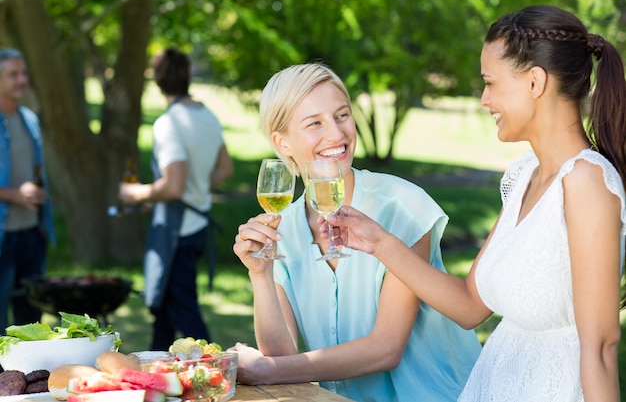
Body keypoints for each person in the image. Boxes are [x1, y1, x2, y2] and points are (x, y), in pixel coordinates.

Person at [325, 5, 626, 401]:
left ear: (535, 82)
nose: (484, 99)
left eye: (491, 83)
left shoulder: (587, 182)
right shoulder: (524, 175)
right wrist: (379, 242)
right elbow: (470, 306)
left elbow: (601, 348)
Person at [231, 63, 482, 402]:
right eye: (314, 123)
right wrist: (261, 275)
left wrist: (267, 370)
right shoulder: (283, 228)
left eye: (342, 115)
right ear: (282, 142)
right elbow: (281, 359)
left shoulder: (401, 206)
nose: (336, 134)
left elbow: (385, 349)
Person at [118, 47, 233, 350]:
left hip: (177, 233)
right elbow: (225, 167)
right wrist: (196, 188)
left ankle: (215, 367)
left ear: (157, 81)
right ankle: (154, 376)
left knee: (185, 313)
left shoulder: (168, 124)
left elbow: (174, 187)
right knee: (164, 315)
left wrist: (136, 194)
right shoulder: (207, 115)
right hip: (196, 226)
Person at [0, 48, 55, 334]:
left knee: (30, 324)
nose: (22, 80)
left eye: (23, 73)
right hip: (2, 236)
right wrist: (14, 194)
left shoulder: (29, 120)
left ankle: (27, 379)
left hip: (31, 235)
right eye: (13, 74)